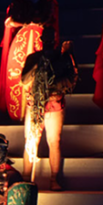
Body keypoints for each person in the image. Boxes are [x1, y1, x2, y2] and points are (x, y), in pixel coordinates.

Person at [0, 0, 57, 121]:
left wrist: (40, 24)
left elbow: (50, 21)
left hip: (39, 43)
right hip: (20, 45)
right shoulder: (18, 2)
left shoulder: (48, 3)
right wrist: (23, 24)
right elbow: (11, 21)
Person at [15, 40, 78, 190]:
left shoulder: (62, 58)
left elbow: (71, 79)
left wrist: (68, 55)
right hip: (36, 102)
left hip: (54, 101)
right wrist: (38, 65)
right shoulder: (34, 57)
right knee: (31, 140)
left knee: (54, 141)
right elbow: (24, 80)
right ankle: (26, 177)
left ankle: (54, 178)